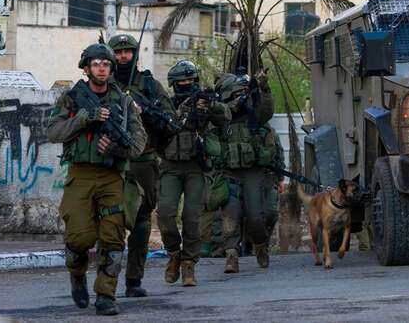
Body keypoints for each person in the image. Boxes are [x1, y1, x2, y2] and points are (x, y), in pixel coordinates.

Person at [46, 43, 147, 316]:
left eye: (106, 64)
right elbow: (53, 132)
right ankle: (77, 275)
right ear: (87, 68)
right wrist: (84, 118)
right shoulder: (71, 99)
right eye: (96, 63)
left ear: (112, 68)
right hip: (80, 175)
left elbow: (139, 143)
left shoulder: (124, 103)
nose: (102, 68)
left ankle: (106, 295)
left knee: (113, 238)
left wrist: (115, 148)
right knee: (80, 238)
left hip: (113, 176)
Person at [107, 34, 177, 297]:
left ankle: (133, 279)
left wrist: (145, 111)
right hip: (113, 161)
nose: (123, 56)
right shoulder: (105, 84)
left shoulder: (150, 85)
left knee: (142, 222)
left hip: (144, 160)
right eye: (118, 52)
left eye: (128, 51)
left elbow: (170, 121)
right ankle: (107, 280)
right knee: (111, 220)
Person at [158, 60, 230, 287]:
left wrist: (210, 105)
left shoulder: (204, 103)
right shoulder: (166, 105)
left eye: (191, 81)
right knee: (166, 215)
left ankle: (189, 264)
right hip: (170, 166)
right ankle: (173, 254)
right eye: (182, 82)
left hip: (195, 168)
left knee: (191, 218)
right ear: (174, 84)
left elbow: (225, 118)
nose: (187, 85)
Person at [215, 71, 280, 274]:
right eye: (235, 94)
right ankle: (231, 256)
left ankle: (260, 245)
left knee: (255, 217)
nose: (240, 98)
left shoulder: (254, 114)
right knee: (230, 217)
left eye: (242, 93)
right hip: (230, 173)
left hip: (253, 172)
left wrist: (264, 88)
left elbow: (267, 110)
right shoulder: (220, 117)